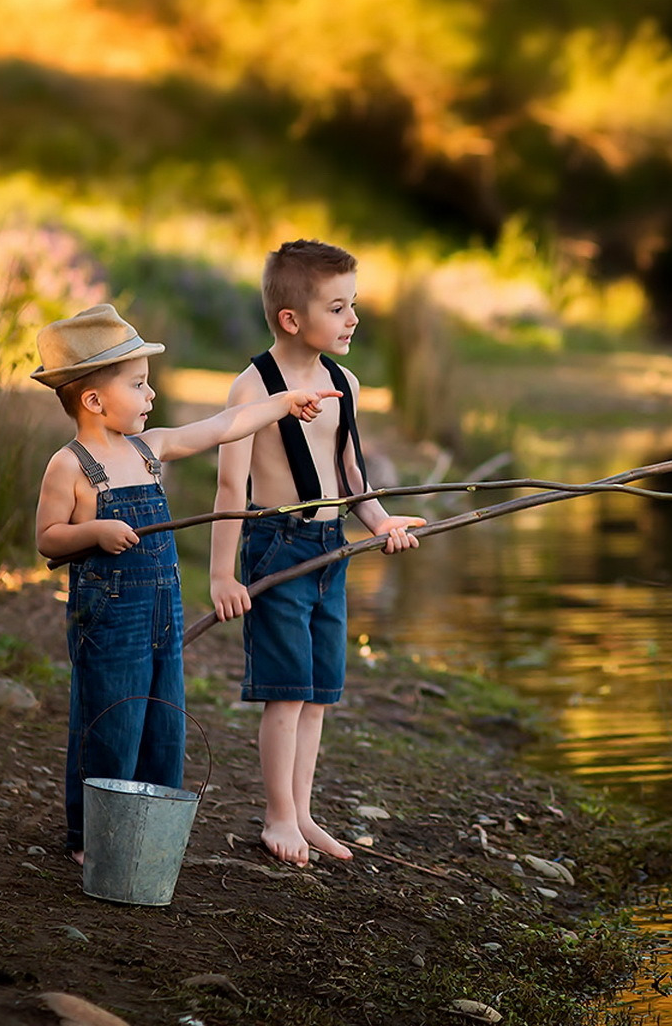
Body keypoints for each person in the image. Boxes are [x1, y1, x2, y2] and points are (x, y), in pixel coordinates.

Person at [32, 303, 341, 864]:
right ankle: (93, 836)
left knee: (163, 716)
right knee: (112, 717)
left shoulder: (149, 451)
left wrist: (281, 403)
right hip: (110, 617)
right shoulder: (70, 466)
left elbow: (220, 427)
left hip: (162, 613)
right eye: (140, 385)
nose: (152, 396)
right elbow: (49, 538)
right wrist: (95, 530)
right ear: (94, 401)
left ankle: (148, 820)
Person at [208, 240, 425, 867]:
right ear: (291, 319)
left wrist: (381, 522)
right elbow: (230, 486)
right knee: (285, 688)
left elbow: (351, 469)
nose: (353, 318)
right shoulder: (251, 387)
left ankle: (302, 812)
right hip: (278, 548)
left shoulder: (344, 381)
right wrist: (223, 573)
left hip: (332, 550)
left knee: (319, 691)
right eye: (338, 307)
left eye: (353, 304)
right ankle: (278, 815)